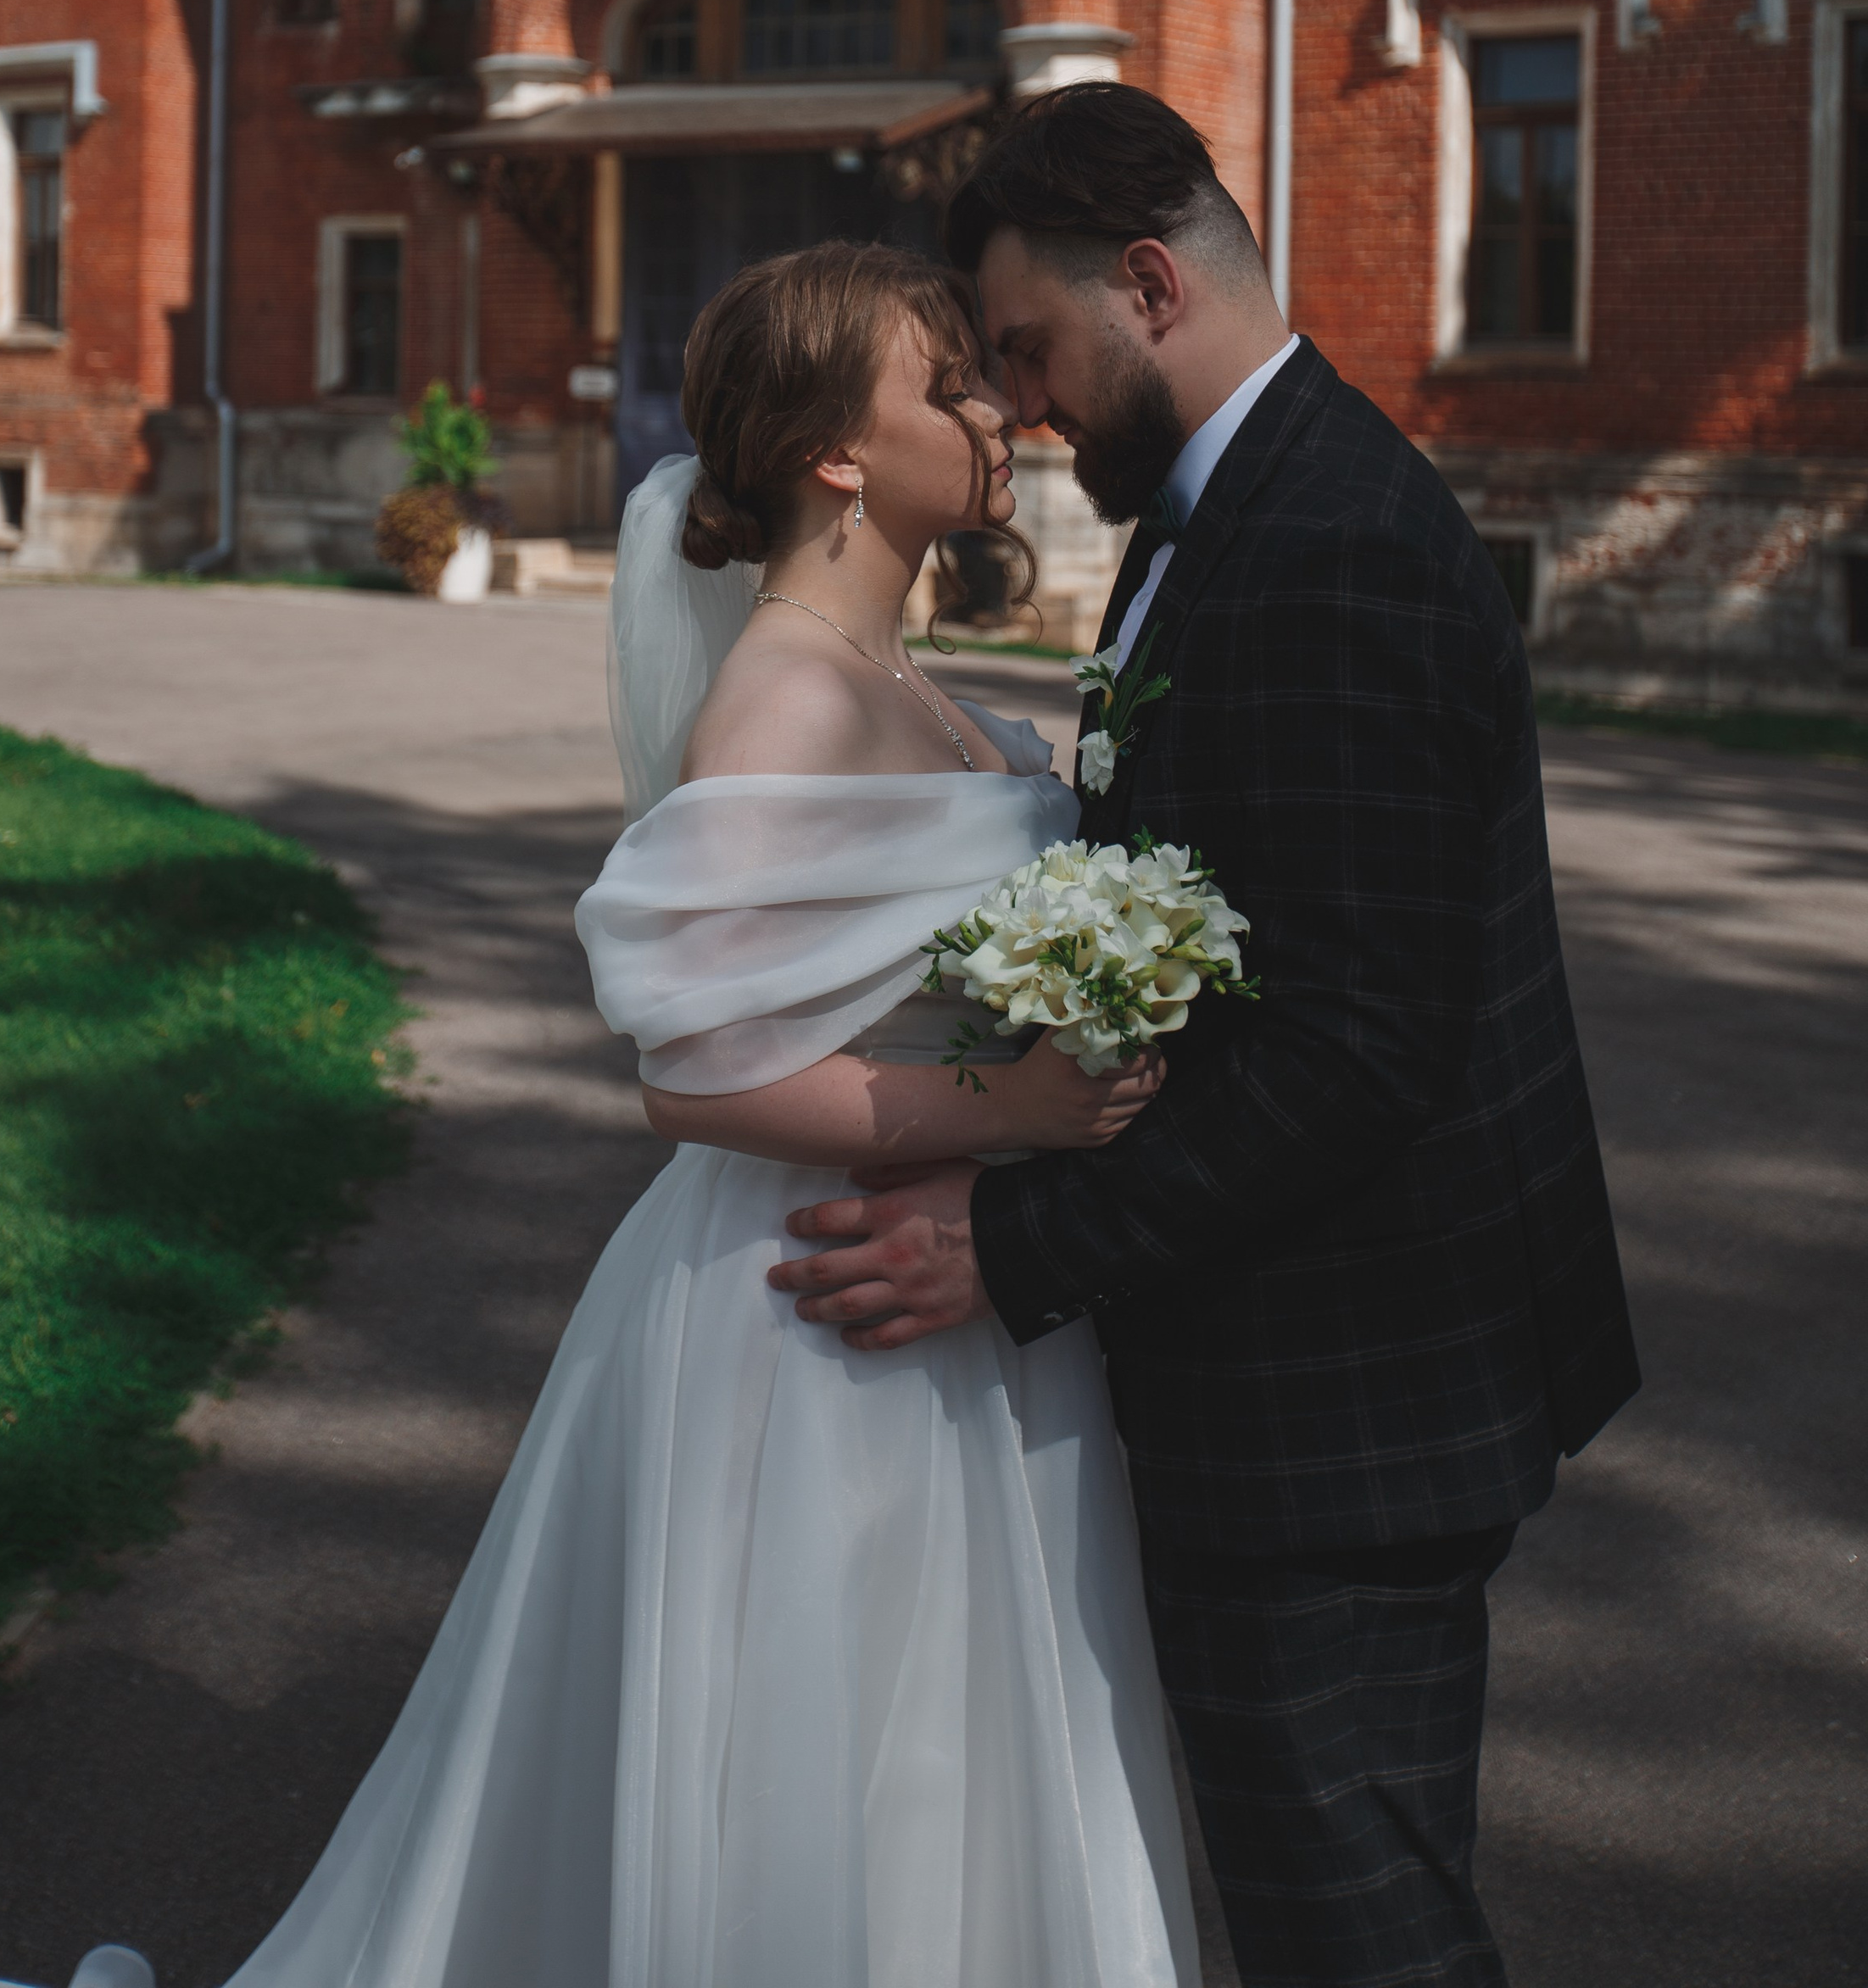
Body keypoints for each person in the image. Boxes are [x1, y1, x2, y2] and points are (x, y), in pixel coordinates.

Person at [195, 242, 1201, 1988]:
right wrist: (1017, 1096)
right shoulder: (784, 697)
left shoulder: (913, 687)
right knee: (814, 1769)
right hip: (809, 1308)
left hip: (960, 1297)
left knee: (960, 1749)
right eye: (942, 382)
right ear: (831, 450)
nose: (990, 412)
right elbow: (695, 1072)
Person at [771, 85, 1641, 1988]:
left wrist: (1005, 1246)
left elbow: (1353, 1049)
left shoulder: (1327, 538)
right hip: (1286, 1367)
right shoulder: (1224, 503)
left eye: (1026, 348)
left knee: (1356, 1927)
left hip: (1344, 1400)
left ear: (1148, 282)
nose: (1023, 404)